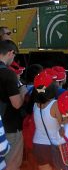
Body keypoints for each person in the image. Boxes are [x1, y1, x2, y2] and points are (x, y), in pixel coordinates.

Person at [0, 40, 25, 170]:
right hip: (9, 127)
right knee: (12, 165)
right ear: (10, 53)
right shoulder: (8, 74)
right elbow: (16, 104)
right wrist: (23, 91)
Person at [32, 71, 63, 170]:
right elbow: (63, 125)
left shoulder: (35, 105)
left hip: (38, 145)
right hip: (54, 145)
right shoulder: (55, 104)